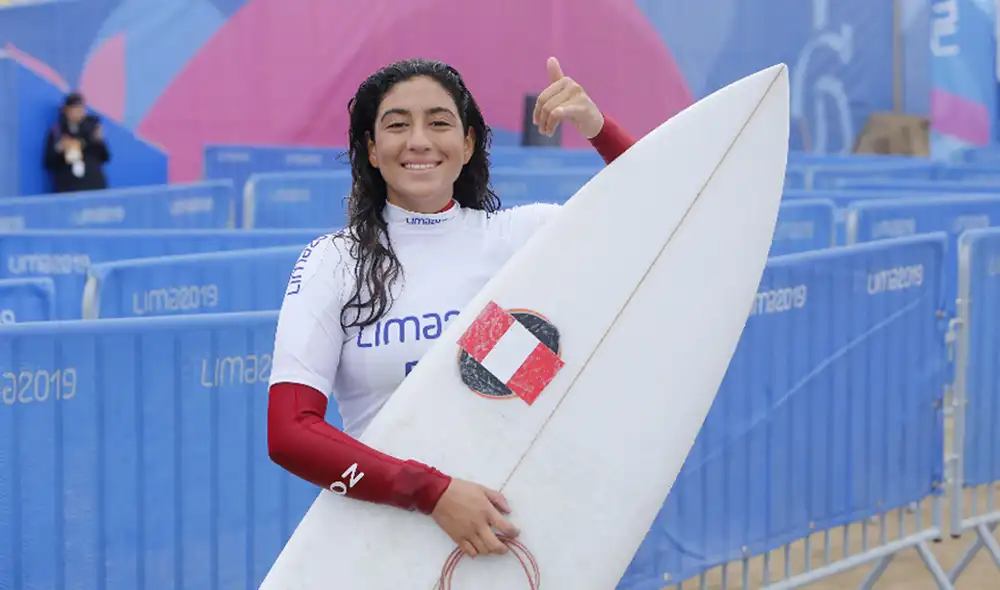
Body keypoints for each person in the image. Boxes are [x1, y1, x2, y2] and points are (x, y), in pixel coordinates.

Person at [267, 56, 636, 559]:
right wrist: (431, 493)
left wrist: (598, 129)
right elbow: (289, 433)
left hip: (524, 541)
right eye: (397, 126)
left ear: (467, 145)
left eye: (439, 122)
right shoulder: (333, 262)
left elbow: (675, 213)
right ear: (372, 151)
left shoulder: (522, 238)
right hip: (390, 545)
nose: (418, 140)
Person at [43, 92, 110, 193]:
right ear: (66, 110)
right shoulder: (57, 131)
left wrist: (99, 141)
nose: (79, 112)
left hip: (94, 186)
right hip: (69, 188)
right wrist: (59, 148)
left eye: (81, 109)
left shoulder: (92, 128)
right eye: (75, 109)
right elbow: (48, 162)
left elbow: (105, 157)